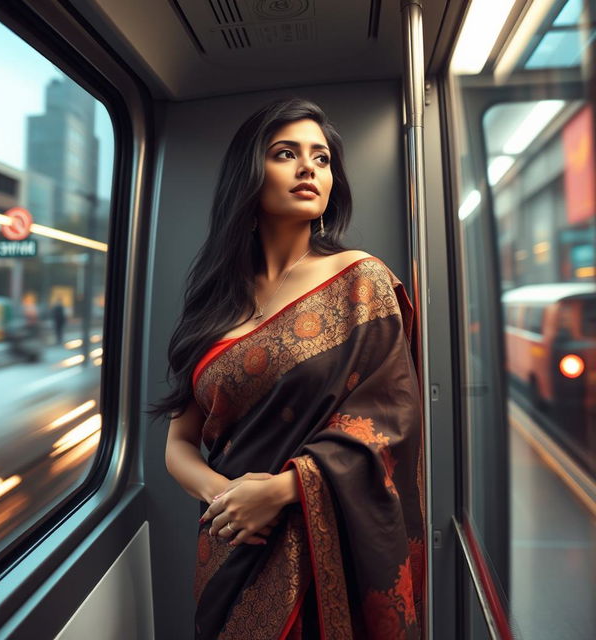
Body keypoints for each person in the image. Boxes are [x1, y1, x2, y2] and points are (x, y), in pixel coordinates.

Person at [152, 98, 425, 639]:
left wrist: (280, 491)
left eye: (321, 159)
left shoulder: (360, 282)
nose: (309, 168)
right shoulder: (214, 306)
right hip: (232, 545)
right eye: (286, 154)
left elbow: (391, 421)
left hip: (327, 544)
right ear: (249, 177)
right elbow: (178, 444)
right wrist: (224, 499)